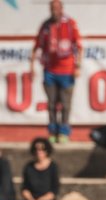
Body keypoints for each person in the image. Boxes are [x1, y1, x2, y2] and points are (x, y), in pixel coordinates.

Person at [30, 0, 82, 143]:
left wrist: (78, 66)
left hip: (67, 70)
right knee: (51, 103)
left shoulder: (70, 24)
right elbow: (37, 46)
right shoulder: (46, 26)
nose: (55, 11)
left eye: (57, 8)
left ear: (62, 9)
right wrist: (32, 67)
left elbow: (79, 46)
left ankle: (64, 132)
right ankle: (52, 131)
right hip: (50, 71)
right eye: (52, 8)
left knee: (66, 104)